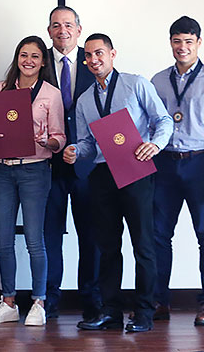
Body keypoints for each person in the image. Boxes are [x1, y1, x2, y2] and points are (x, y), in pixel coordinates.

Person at [65, 33, 173, 333]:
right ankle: (110, 312)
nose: (93, 60)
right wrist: (76, 151)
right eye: (88, 56)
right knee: (107, 246)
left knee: (143, 244)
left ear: (113, 54)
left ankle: (144, 313)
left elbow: (163, 120)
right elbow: (87, 143)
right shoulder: (85, 100)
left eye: (99, 53)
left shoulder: (135, 84)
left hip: (136, 170)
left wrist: (155, 144)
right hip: (102, 174)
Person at [150, 16, 204, 326]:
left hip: (200, 163)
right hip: (165, 164)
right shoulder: (157, 81)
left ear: (198, 43)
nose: (182, 47)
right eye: (176, 41)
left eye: (188, 41)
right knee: (158, 235)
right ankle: (159, 300)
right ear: (170, 42)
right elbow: (149, 123)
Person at [0, 36, 66, 327]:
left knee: (34, 240)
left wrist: (49, 142)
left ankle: (39, 302)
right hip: (4, 170)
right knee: (4, 240)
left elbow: (60, 136)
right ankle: (8, 302)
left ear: (43, 61)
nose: (28, 61)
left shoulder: (51, 93)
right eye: (23, 55)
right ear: (17, 58)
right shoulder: (2, 89)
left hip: (35, 170)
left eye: (34, 56)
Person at [43, 6, 101, 319]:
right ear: (48, 31)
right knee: (49, 236)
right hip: (47, 165)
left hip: (87, 166)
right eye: (55, 25)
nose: (62, 30)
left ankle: (91, 301)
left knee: (89, 235)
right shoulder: (36, 63)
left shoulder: (93, 60)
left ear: (79, 29)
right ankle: (49, 300)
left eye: (68, 24)